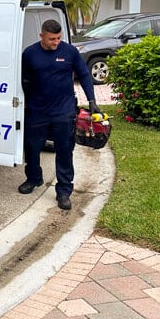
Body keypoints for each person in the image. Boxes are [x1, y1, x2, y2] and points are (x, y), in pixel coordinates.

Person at [19, 19, 98, 210]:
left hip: (64, 112)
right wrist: (26, 102)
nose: (56, 42)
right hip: (37, 111)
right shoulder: (30, 54)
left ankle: (63, 191)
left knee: (64, 152)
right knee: (31, 148)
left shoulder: (69, 52)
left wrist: (92, 101)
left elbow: (85, 75)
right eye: (51, 39)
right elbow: (23, 80)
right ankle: (34, 178)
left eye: (58, 38)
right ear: (42, 36)